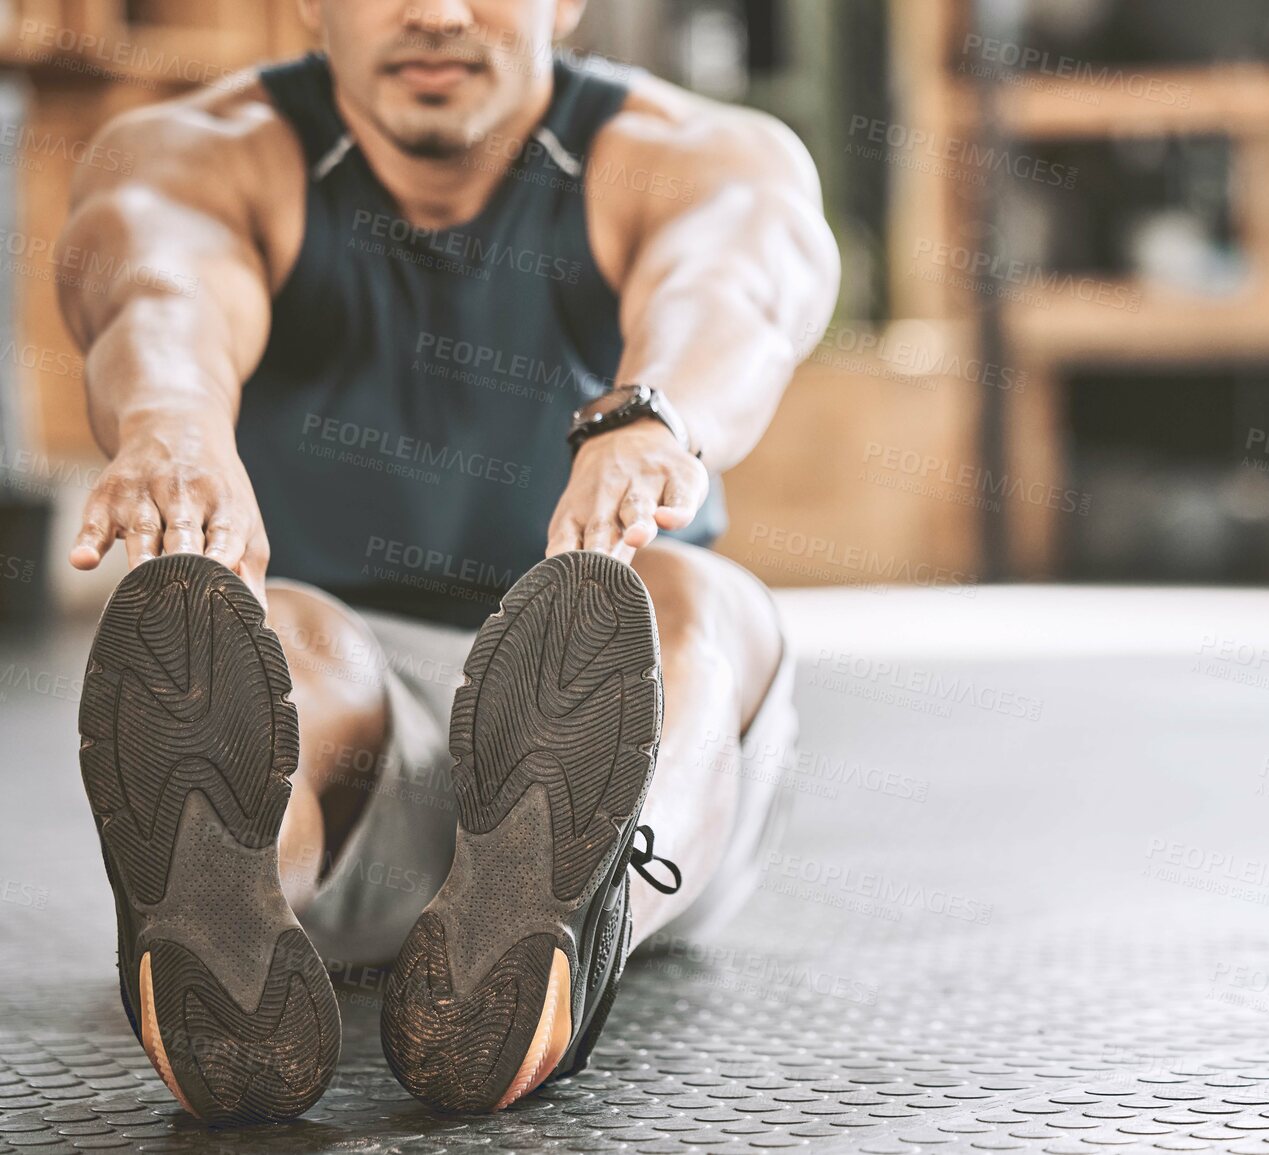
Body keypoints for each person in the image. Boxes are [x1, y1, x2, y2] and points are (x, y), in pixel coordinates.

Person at [61, 0, 838, 1126]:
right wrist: (173, 420)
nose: (433, 11)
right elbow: (162, 288)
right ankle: (223, 935)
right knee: (278, 633)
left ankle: (579, 906)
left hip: (651, 738)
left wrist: (652, 419)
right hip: (357, 748)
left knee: (692, 600)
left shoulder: (688, 154)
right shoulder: (203, 153)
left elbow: (733, 286)